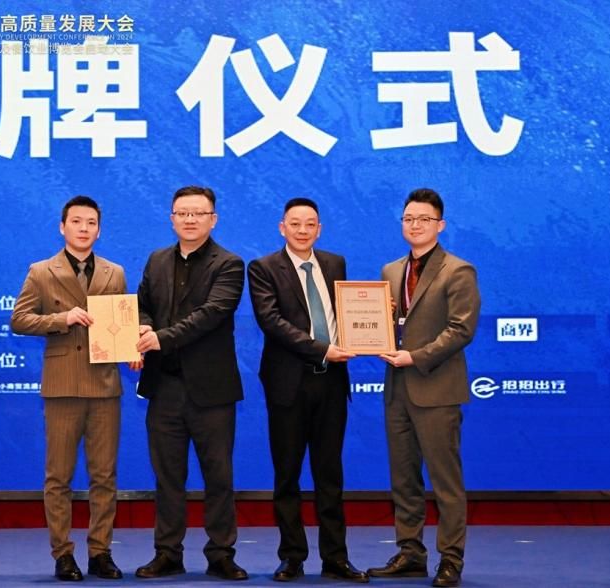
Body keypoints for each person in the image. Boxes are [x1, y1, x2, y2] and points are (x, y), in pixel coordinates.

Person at [248, 198, 369, 584]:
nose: (303, 230)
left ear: (320, 229)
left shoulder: (335, 263)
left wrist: (371, 318)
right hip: (289, 383)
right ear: (282, 227)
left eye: (310, 224)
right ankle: (292, 557)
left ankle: (336, 558)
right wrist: (322, 349)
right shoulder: (264, 268)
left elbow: (346, 314)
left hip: (331, 382)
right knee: (287, 475)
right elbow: (271, 321)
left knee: (330, 475)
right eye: (295, 223)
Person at [132, 185, 248, 581]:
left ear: (213, 219)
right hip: (163, 386)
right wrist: (143, 328)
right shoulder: (157, 260)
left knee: (219, 477)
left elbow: (212, 314)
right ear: (172, 218)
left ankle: (221, 553)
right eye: (182, 213)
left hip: (211, 390)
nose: (190, 219)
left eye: (198, 213)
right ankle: (167, 553)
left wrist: (160, 338)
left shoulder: (229, 264)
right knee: (167, 477)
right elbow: (142, 305)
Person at [367, 188, 480, 588]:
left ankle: (451, 559)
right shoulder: (390, 271)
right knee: (404, 479)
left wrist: (415, 357)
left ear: (440, 225)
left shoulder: (458, 270)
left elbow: (461, 330)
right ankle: (410, 553)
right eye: (408, 219)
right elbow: (385, 323)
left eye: (424, 219)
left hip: (437, 390)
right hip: (397, 389)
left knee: (445, 481)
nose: (415, 225)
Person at [11, 195, 126, 582]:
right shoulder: (41, 271)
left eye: (91, 222)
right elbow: (19, 320)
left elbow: (121, 324)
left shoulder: (115, 272)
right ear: (62, 227)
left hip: (104, 384)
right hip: (62, 386)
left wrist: (132, 346)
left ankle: (100, 552)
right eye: (76, 221)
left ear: (99, 230)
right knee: (58, 477)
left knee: (104, 476)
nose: (83, 228)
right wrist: (61, 318)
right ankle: (62, 553)